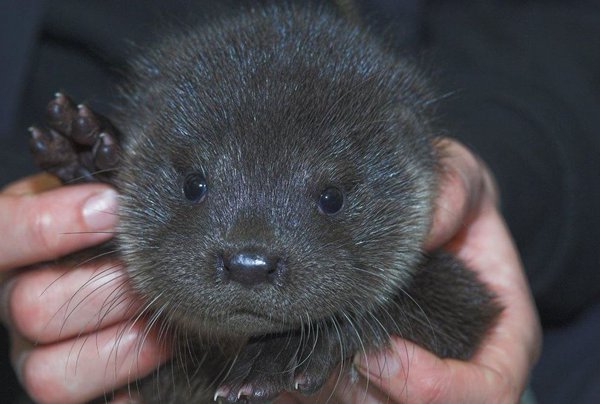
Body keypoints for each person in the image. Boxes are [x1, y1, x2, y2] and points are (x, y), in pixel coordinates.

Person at [1, 0, 599, 402]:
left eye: (330, 200)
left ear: (417, 174)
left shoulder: (422, 257)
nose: (248, 260)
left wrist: (503, 160)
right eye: (196, 190)